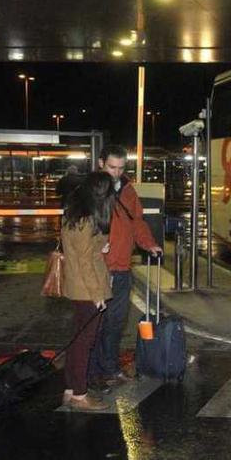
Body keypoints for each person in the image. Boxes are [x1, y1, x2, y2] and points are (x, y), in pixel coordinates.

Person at [88, 145, 162, 392]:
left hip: (121, 269)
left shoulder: (128, 191)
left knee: (116, 323)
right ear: (101, 163)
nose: (116, 173)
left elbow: (137, 223)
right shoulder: (92, 191)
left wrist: (149, 244)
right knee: (96, 323)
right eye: (111, 167)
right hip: (99, 269)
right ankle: (92, 372)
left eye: (120, 168)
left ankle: (109, 368)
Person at [60, 172, 115, 411]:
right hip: (87, 289)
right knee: (85, 342)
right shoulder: (86, 221)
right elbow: (84, 261)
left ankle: (71, 389)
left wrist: (99, 246)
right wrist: (97, 295)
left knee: (78, 340)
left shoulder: (73, 216)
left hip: (78, 286)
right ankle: (80, 395)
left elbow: (81, 251)